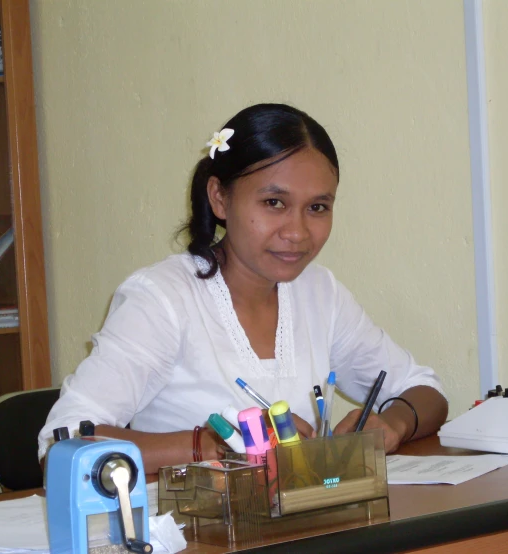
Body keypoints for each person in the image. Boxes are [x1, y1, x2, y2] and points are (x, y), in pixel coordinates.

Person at [38, 103, 448, 474]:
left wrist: (390, 427)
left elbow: (425, 390)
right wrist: (217, 445)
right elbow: (61, 444)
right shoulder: (163, 298)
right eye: (274, 203)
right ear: (219, 198)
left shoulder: (320, 294)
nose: (297, 231)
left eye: (318, 208)